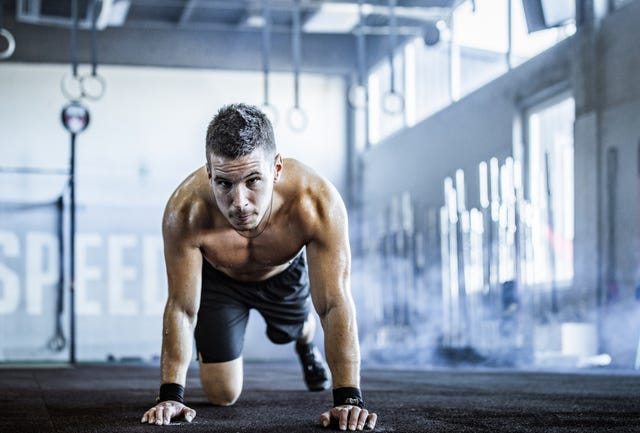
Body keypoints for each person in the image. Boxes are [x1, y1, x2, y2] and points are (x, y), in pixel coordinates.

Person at [141, 103, 377, 431]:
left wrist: (349, 398)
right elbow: (181, 308)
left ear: (276, 168)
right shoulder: (186, 211)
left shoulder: (315, 202)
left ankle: (303, 338)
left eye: (253, 180)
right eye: (224, 184)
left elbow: (335, 304)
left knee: (295, 328)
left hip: (282, 276)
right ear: (209, 173)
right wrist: (170, 395)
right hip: (220, 283)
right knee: (222, 394)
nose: (239, 202)